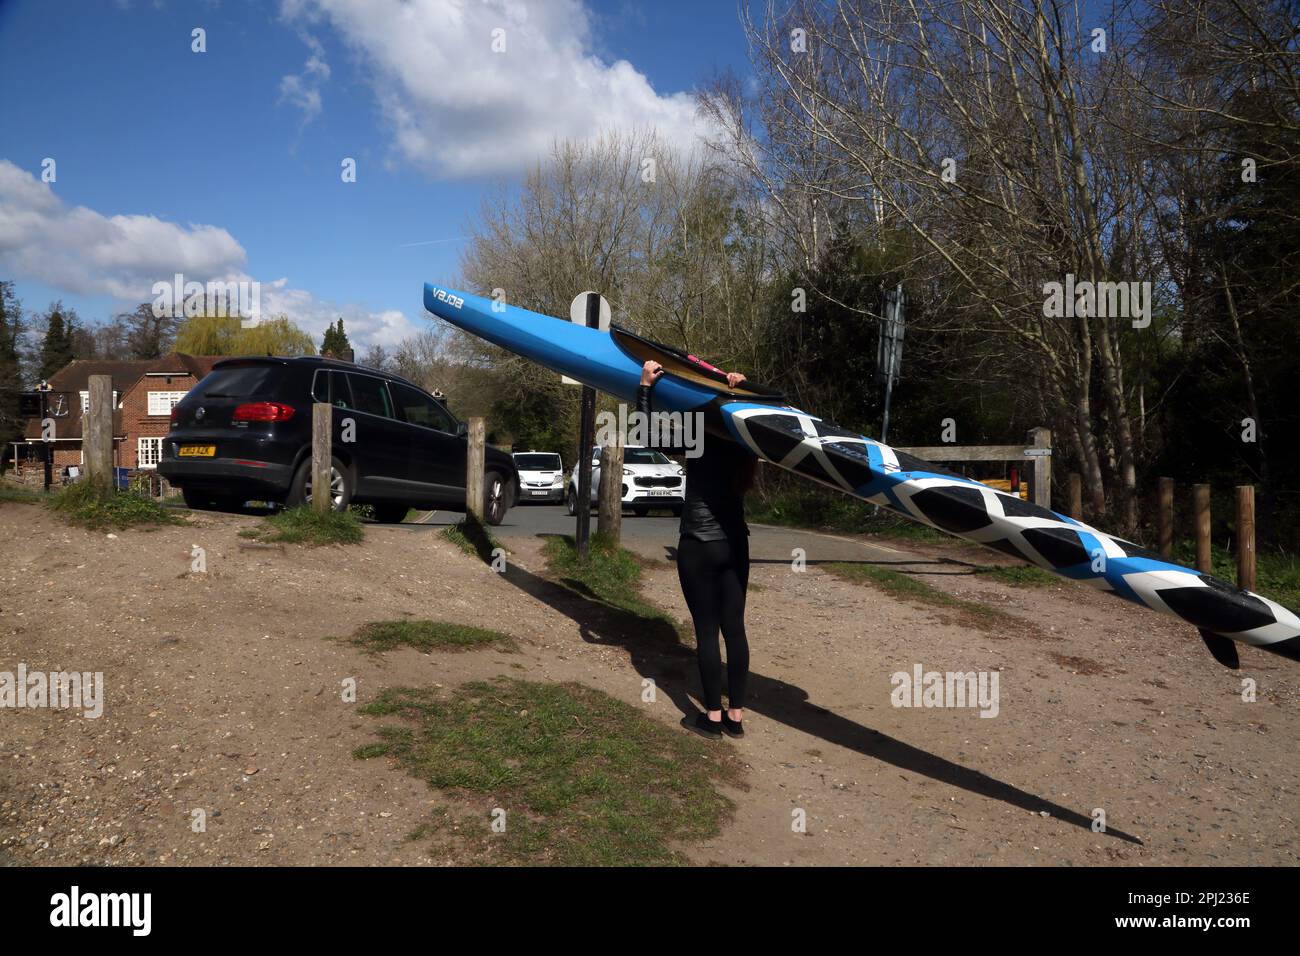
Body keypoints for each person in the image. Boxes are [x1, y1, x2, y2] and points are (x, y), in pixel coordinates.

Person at [637, 359, 758, 740]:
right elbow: (780, 414)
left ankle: (712, 718)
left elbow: (645, 433)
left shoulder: (699, 434)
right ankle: (736, 717)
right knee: (734, 630)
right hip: (735, 544)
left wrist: (645, 387)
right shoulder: (747, 440)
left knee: (706, 633)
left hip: (699, 546)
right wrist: (746, 386)